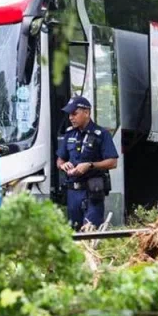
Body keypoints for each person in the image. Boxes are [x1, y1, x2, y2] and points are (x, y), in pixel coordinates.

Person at [55, 95, 119, 230]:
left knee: (90, 232)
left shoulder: (101, 134)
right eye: (69, 115)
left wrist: (90, 165)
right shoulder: (69, 134)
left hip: (92, 191)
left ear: (87, 112)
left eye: (74, 114)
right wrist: (63, 165)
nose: (71, 118)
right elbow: (60, 159)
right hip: (72, 193)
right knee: (74, 234)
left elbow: (113, 162)